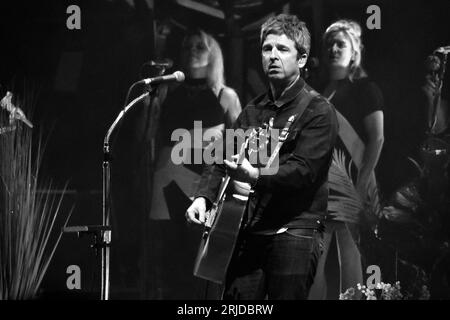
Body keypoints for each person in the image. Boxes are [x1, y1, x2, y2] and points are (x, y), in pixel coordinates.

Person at [186, 14, 338, 300]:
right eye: (267, 49)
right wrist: (202, 197)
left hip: (296, 230)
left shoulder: (318, 110)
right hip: (250, 231)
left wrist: (255, 176)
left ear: (302, 59)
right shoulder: (253, 111)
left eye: (282, 49)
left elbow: (303, 171)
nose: (272, 56)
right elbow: (220, 158)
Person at [148, 28, 241, 299]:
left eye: (199, 46)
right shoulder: (166, 92)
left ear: (213, 54)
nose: (191, 50)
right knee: (169, 258)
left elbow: (239, 142)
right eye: (187, 45)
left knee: (200, 261)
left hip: (203, 185)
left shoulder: (225, 95)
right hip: (166, 182)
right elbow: (147, 135)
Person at [308, 20, 384, 299]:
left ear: (355, 51)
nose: (334, 48)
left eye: (341, 43)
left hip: (353, 182)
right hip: (320, 187)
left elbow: (377, 139)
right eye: (329, 44)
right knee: (312, 265)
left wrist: (361, 184)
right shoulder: (318, 91)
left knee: (350, 262)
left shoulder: (366, 89)